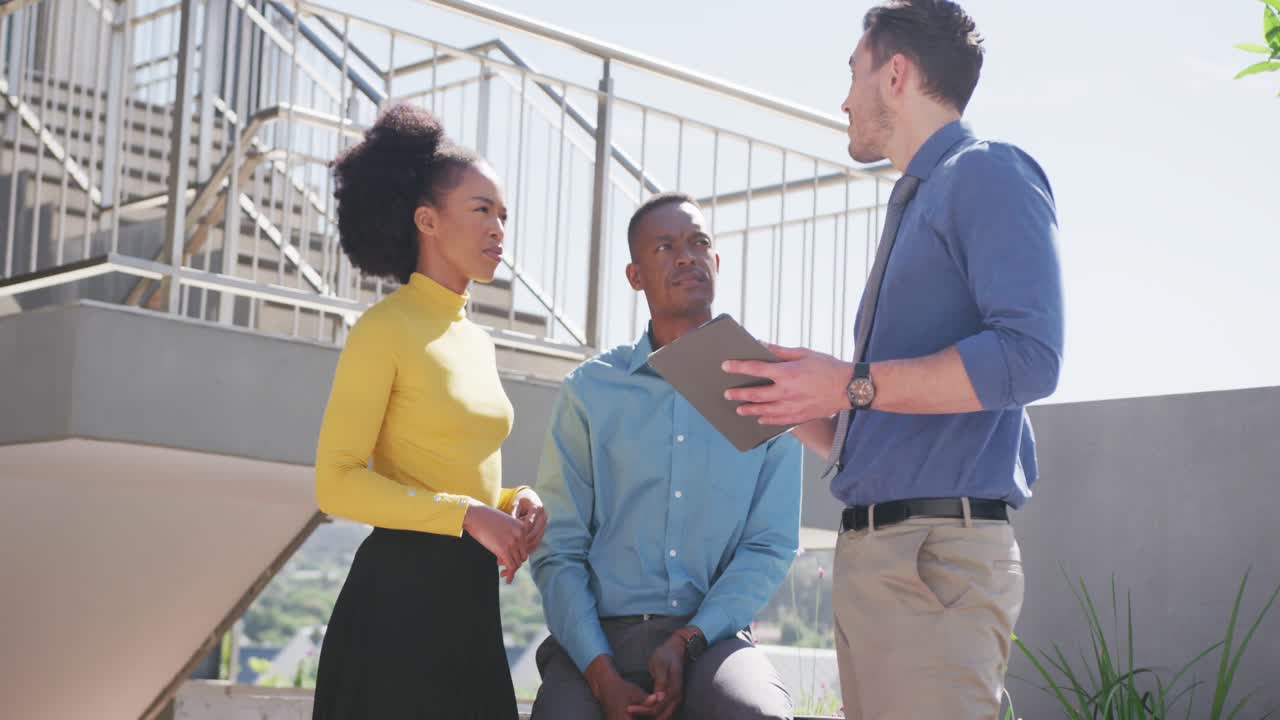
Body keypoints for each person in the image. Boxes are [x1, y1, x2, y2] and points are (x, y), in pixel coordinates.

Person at [723, 1, 1065, 717]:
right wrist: (791, 402)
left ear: (897, 75)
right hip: (883, 562)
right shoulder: (917, 201)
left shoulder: (989, 173)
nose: (844, 98)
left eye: (854, 73)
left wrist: (848, 382)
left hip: (932, 565)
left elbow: (1031, 357)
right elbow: (885, 414)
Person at [311, 103, 545, 720]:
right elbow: (335, 483)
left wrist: (513, 501)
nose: (498, 228)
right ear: (427, 220)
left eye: (503, 215)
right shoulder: (382, 329)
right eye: (481, 210)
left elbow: (460, 469)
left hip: (470, 606)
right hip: (396, 607)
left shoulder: (479, 340)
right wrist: (467, 515)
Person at [530, 193, 801, 720]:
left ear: (716, 263)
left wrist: (688, 639)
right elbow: (559, 550)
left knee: (759, 715)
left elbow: (768, 546)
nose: (686, 256)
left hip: (712, 641)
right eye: (665, 246)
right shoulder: (590, 392)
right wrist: (601, 674)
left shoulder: (763, 387)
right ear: (635, 276)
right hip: (598, 643)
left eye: (699, 242)